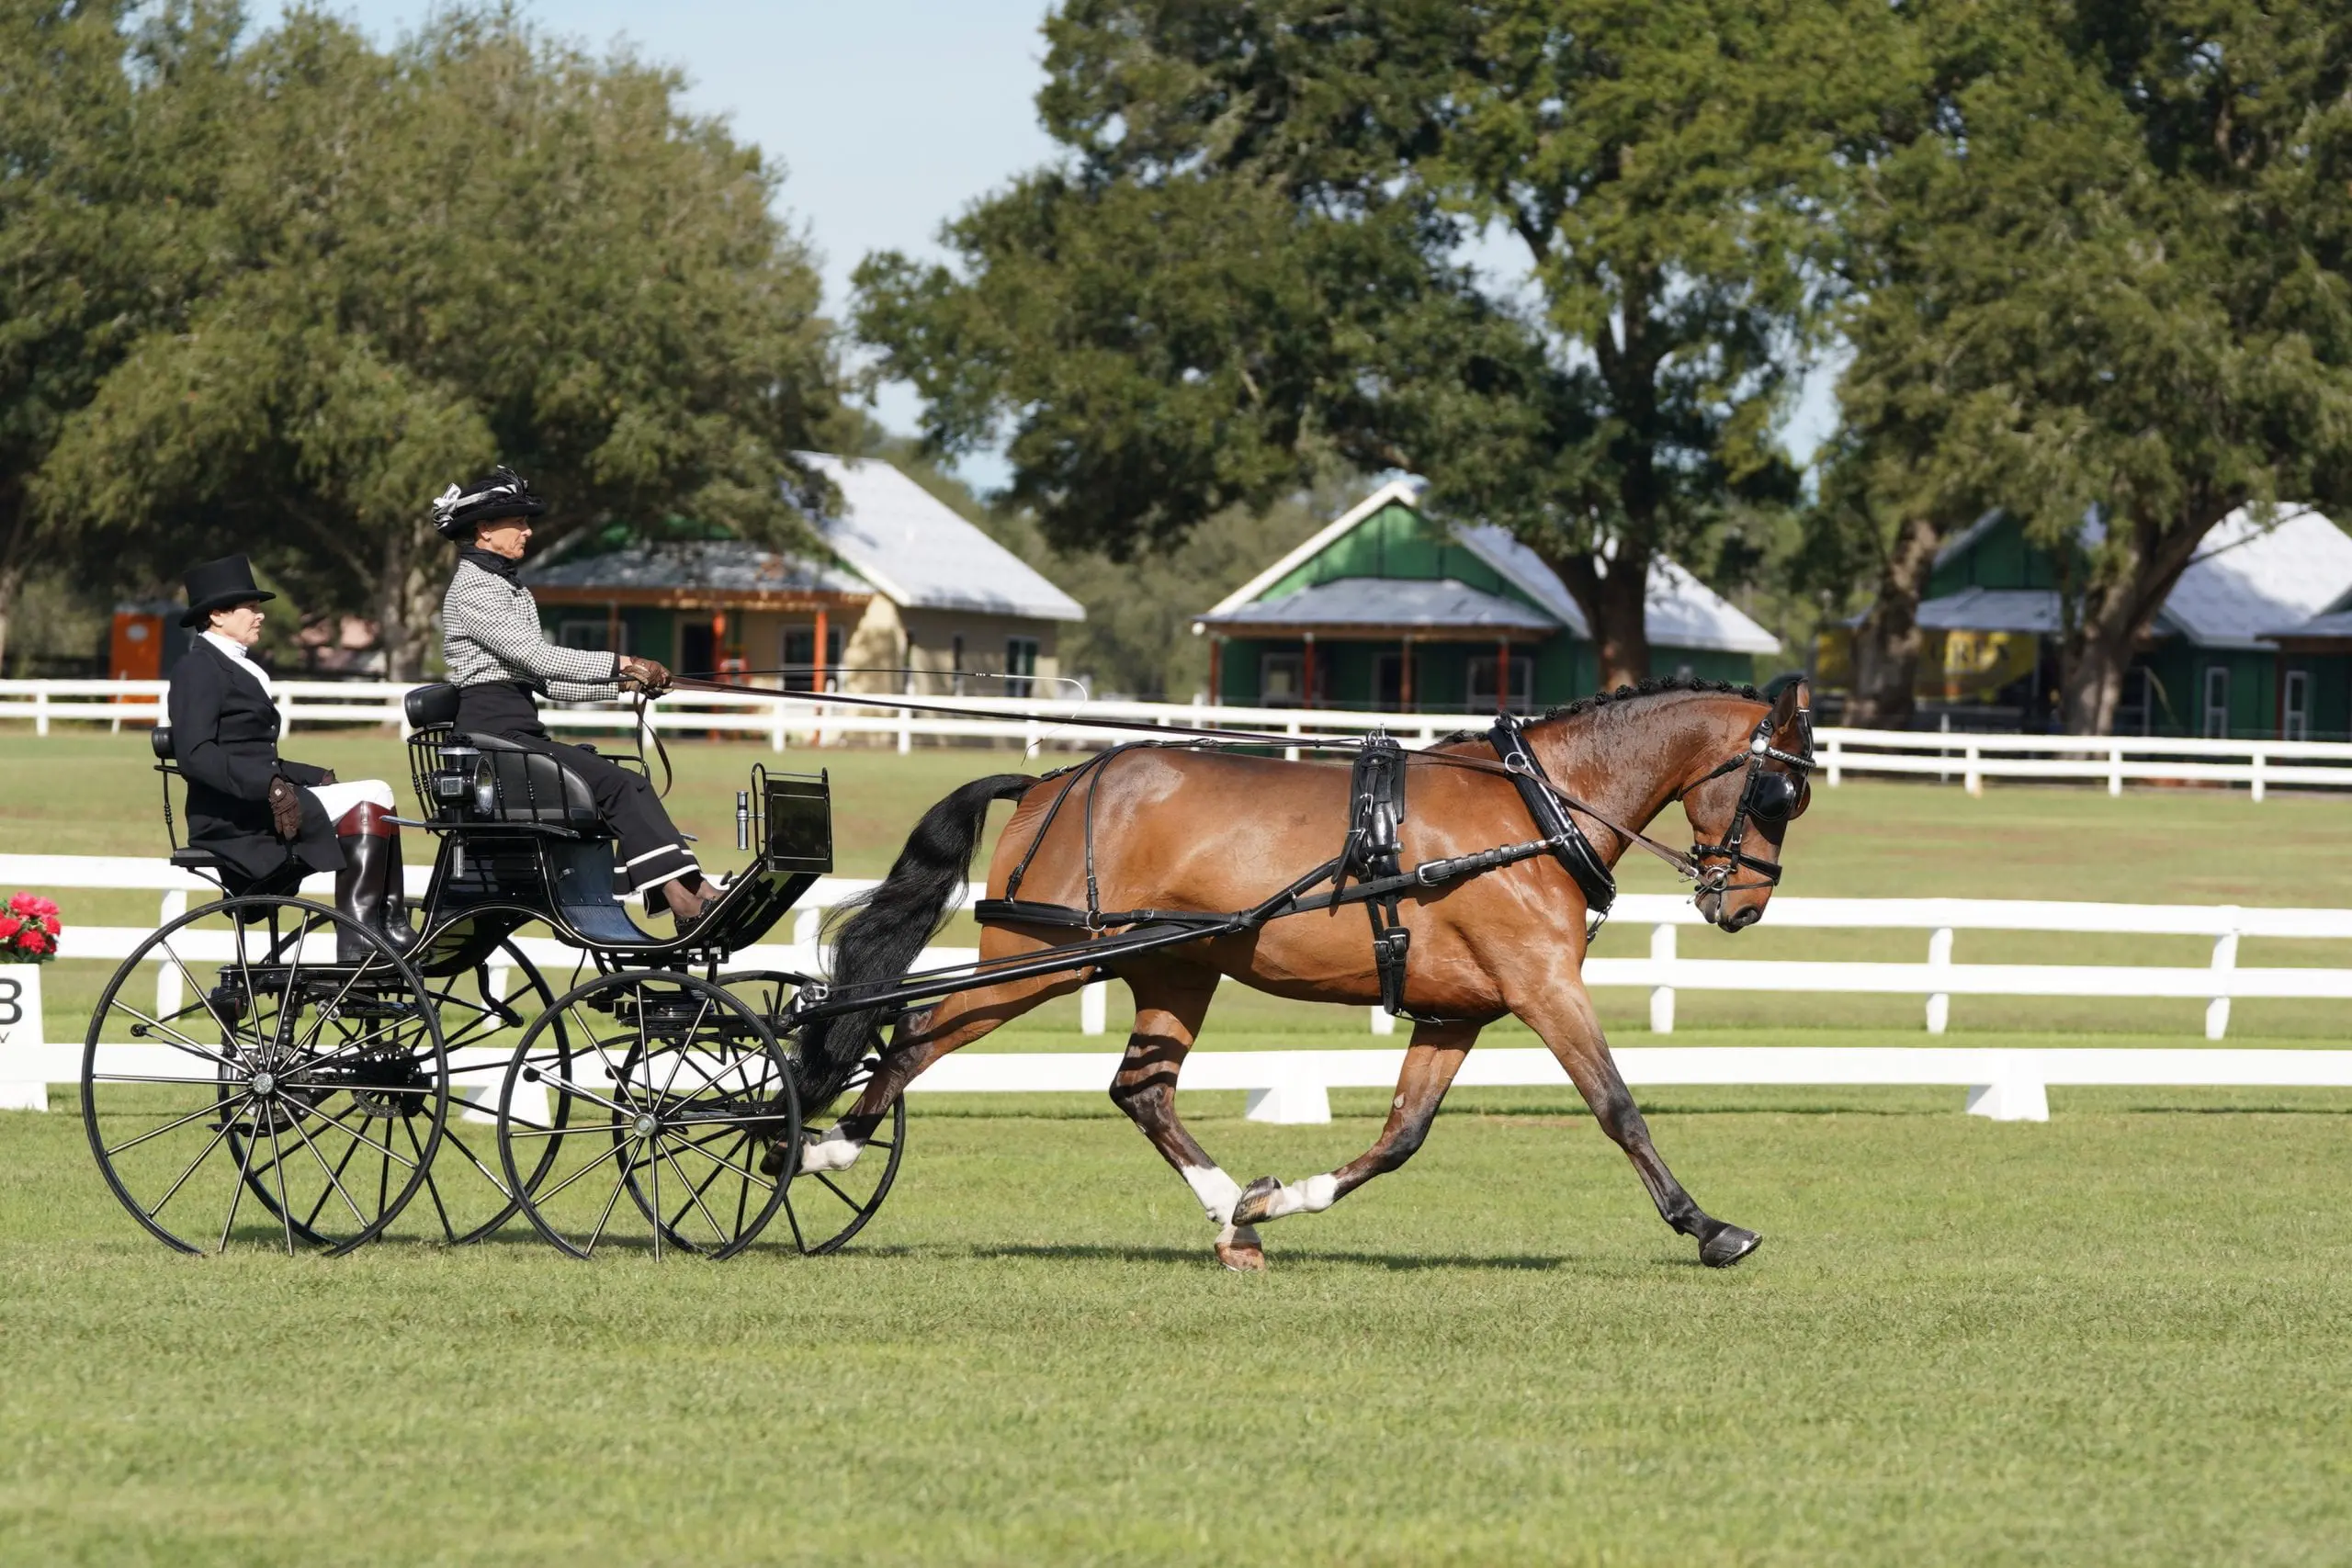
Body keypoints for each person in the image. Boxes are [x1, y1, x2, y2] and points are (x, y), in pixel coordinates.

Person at [434, 468, 716, 926]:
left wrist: (625, 684)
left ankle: (689, 890)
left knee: (625, 780)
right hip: (490, 741)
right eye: (518, 522)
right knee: (618, 784)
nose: (528, 531)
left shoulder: (506, 585)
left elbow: (544, 682)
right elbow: (537, 657)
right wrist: (622, 662)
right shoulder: (473, 588)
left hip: (516, 732)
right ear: (484, 529)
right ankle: (685, 898)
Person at [165, 555, 417, 962]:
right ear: (217, 615)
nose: (260, 615)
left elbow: (252, 752)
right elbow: (195, 754)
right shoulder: (198, 668)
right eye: (250, 607)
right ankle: (362, 934)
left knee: (375, 792)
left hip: (261, 799)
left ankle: (386, 920)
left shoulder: (239, 666)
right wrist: (268, 786)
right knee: (373, 792)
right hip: (234, 814)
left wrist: (310, 776)